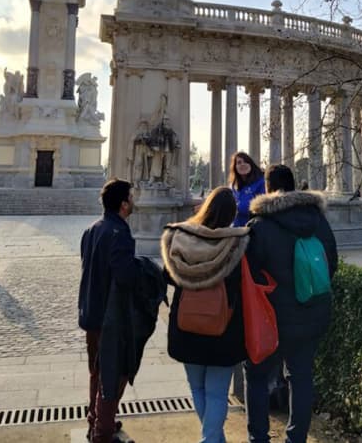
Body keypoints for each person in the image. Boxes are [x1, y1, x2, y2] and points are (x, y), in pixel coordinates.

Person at [244, 164, 338, 443]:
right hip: (311, 314)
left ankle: (258, 438)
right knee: (301, 376)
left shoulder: (260, 225)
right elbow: (331, 262)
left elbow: (249, 274)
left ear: (267, 188)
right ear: (295, 185)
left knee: (257, 377)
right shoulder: (318, 221)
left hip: (270, 318)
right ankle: (296, 439)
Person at [161, 187, 250, 443]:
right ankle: (212, 439)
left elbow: (168, 275)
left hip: (188, 325)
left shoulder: (182, 237)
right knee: (217, 393)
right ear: (232, 213)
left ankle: (212, 439)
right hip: (223, 327)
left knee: (197, 388)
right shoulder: (238, 242)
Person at [79, 178, 164, 443]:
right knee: (114, 372)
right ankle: (103, 432)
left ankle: (96, 420)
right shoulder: (119, 233)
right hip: (111, 316)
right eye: (131, 197)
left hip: (90, 311)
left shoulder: (92, 229)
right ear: (123, 204)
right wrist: (147, 269)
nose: (134, 201)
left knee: (97, 370)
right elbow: (125, 275)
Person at [229, 152, 265, 227]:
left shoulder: (261, 182)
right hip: (235, 229)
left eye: (246, 161)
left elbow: (261, 207)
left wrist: (237, 208)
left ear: (251, 164)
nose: (242, 164)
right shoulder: (233, 186)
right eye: (239, 162)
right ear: (235, 167)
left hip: (254, 228)